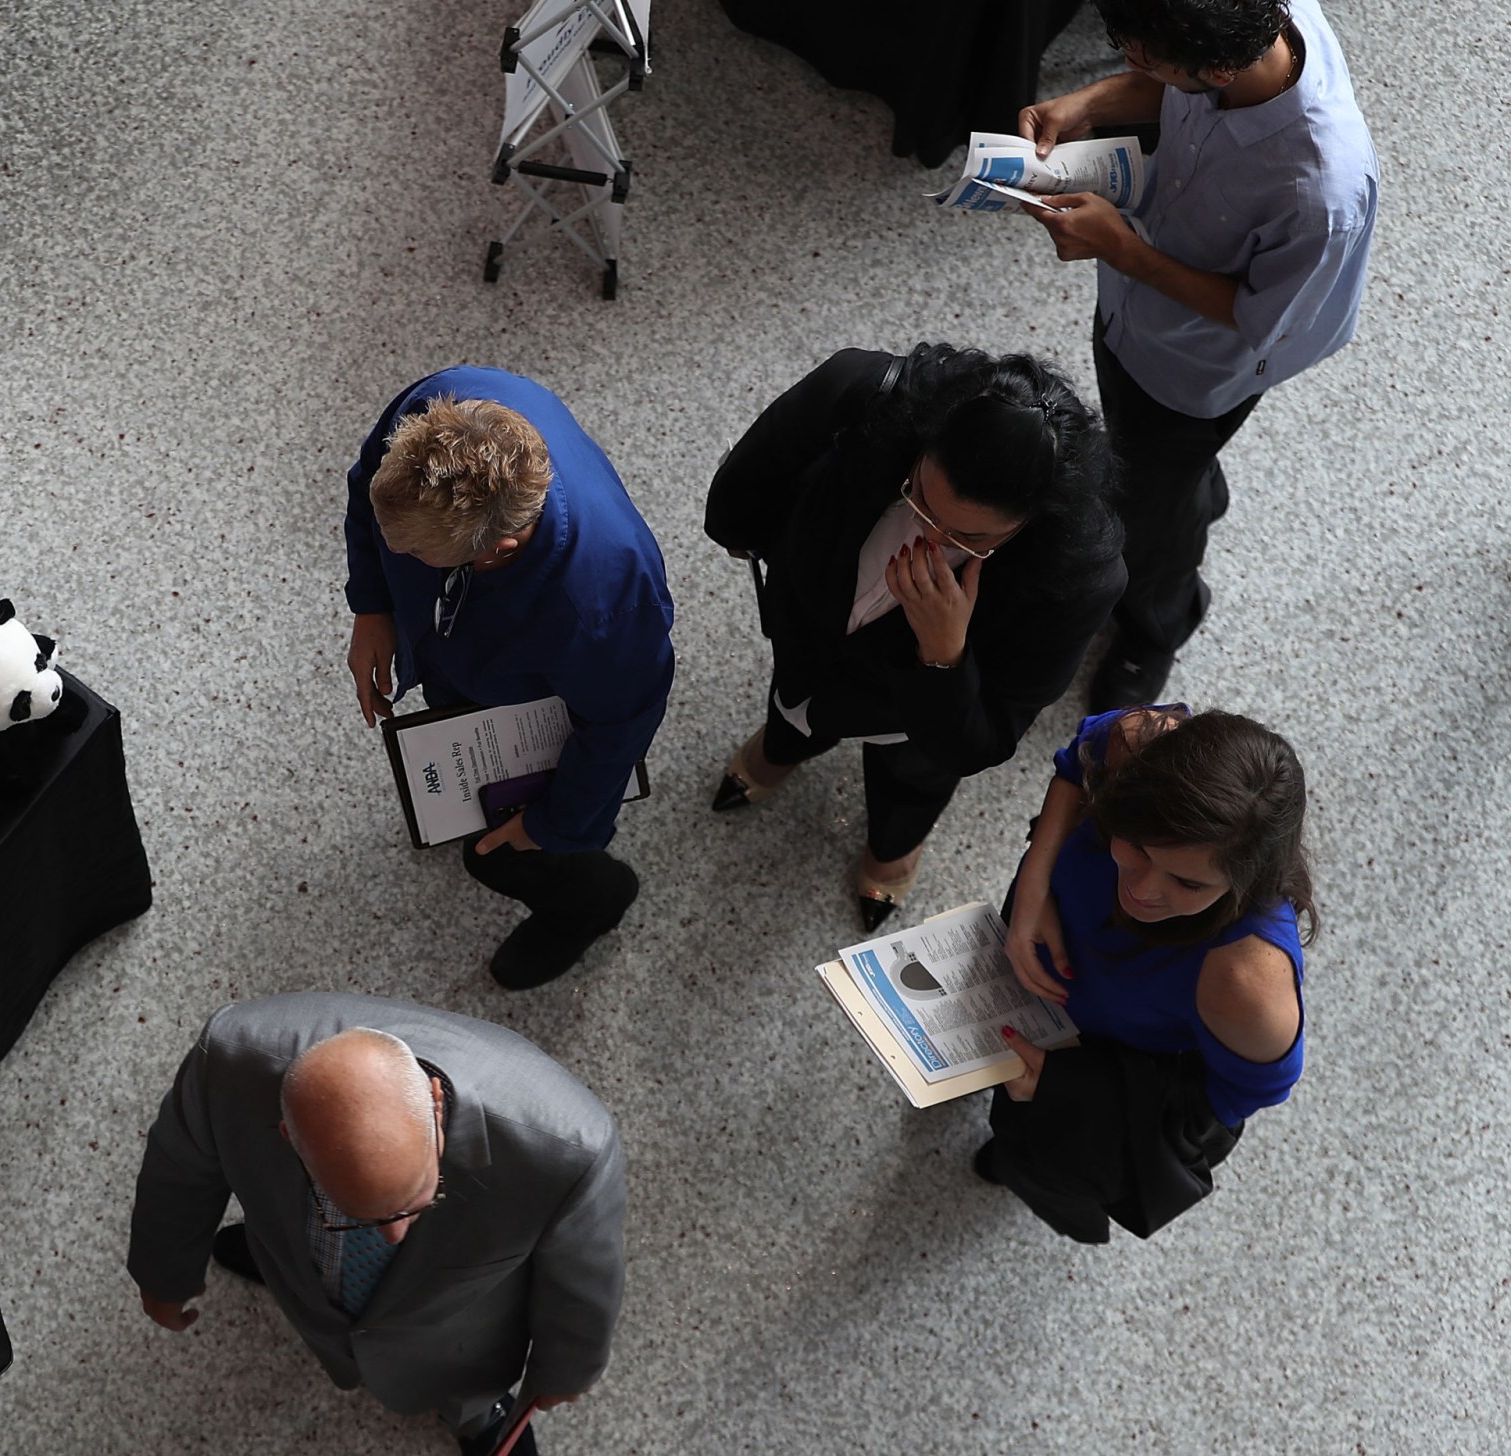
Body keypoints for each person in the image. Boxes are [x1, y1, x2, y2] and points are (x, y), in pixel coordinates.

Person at [1019, 0, 1378, 708]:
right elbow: (1171, 92)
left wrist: (1123, 248)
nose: (1131, 69)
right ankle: (1191, 488)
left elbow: (1259, 319)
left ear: (1218, 69)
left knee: (1152, 517)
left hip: (1190, 370)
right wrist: (1085, 105)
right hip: (1132, 313)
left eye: (1147, 61)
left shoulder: (1322, 193)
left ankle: (1159, 624)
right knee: (1150, 468)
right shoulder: (1247, 30)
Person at [704, 343, 1124, 931]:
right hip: (807, 626)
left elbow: (983, 739)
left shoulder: (1077, 576)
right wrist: (743, 534)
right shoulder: (865, 393)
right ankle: (779, 750)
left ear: (1032, 522)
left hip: (918, 715)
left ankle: (892, 844)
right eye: (923, 501)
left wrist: (944, 655)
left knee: (913, 774)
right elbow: (750, 478)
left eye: (968, 538)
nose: (930, 537)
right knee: (793, 694)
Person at [127, 993, 625, 1456]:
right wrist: (164, 1274)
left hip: (460, 1336)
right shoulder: (227, 1062)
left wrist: (564, 1372)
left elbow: (583, 1288)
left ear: (434, 1102)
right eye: (350, 1213)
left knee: (465, 1382)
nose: (393, 1234)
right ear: (288, 1137)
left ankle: (476, 1415)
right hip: (299, 1269)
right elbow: (180, 1170)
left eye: (414, 1200)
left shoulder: (569, 1153)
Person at [344, 369, 675, 989]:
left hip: (540, 702)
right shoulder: (437, 405)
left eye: (413, 556)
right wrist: (372, 604)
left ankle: (592, 900)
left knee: (498, 858)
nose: (399, 557)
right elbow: (369, 487)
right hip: (471, 660)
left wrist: (552, 827)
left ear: (497, 548)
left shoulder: (606, 605)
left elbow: (620, 726)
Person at [978, 706, 1313, 1242]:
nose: (1142, 890)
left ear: (1244, 883)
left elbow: (1228, 1102)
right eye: (1135, 844)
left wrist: (1065, 1089)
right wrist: (1035, 883)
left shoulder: (1246, 981)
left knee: (1033, 1153)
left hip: (1098, 1058)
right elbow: (1076, 763)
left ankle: (1021, 1168)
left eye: (1188, 884)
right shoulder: (1138, 744)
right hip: (1041, 967)